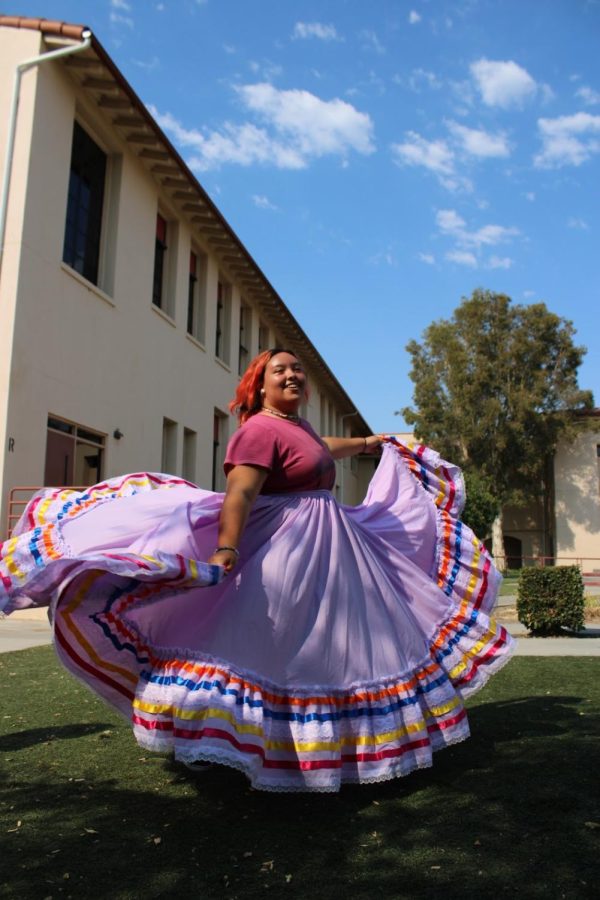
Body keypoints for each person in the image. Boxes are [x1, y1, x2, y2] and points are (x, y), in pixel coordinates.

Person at [0, 348, 514, 792]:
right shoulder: (257, 431)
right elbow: (242, 493)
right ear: (259, 385)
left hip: (327, 546)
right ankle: (222, 742)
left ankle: (335, 748)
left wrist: (365, 445)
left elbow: (317, 452)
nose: (292, 376)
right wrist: (226, 548)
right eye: (280, 371)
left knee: (340, 647)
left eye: (297, 370)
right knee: (265, 643)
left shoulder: (297, 427)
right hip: (286, 547)